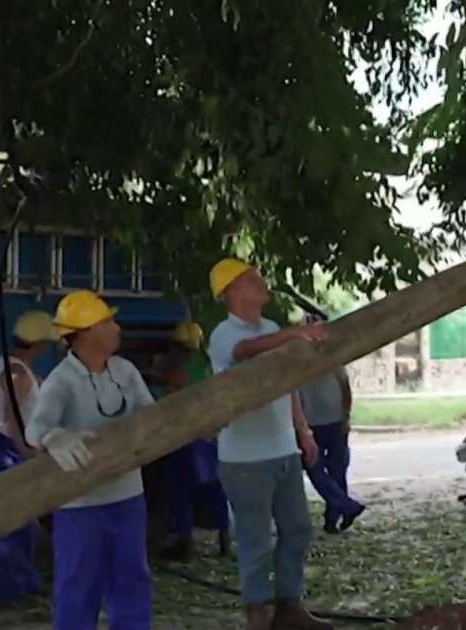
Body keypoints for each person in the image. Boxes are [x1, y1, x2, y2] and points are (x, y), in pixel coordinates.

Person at [207, 258, 332, 630]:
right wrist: (294, 334)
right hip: (244, 459)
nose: (260, 282)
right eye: (250, 279)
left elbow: (288, 386)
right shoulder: (224, 334)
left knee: (297, 529)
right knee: (255, 539)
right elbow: (247, 351)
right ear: (231, 293)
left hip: (283, 452)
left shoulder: (272, 328)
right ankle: (258, 615)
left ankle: (289, 607)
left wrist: (303, 431)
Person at [24, 291, 156, 630]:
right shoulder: (62, 380)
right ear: (84, 333)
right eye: (108, 322)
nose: (117, 328)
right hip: (80, 509)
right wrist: (54, 437)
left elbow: (154, 416)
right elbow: (35, 429)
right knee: (77, 589)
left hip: (128, 498)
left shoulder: (125, 371)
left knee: (132, 582)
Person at [0, 310, 59, 606]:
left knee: (22, 520)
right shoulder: (17, 373)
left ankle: (24, 582)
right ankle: (12, 589)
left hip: (7, 445)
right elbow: (14, 420)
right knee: (12, 521)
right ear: (37, 343)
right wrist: (29, 453)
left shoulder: (17, 368)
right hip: (6, 447)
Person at [154, 320, 231, 560]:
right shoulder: (209, 364)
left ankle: (183, 541)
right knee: (214, 486)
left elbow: (168, 401)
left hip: (185, 437)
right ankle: (224, 540)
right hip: (211, 436)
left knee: (180, 489)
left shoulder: (180, 370)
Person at [297, 316, 365, 534]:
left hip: (335, 421)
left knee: (337, 469)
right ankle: (345, 506)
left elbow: (345, 389)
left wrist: (346, 417)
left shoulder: (333, 359)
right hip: (311, 425)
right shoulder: (295, 362)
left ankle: (333, 518)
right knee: (315, 469)